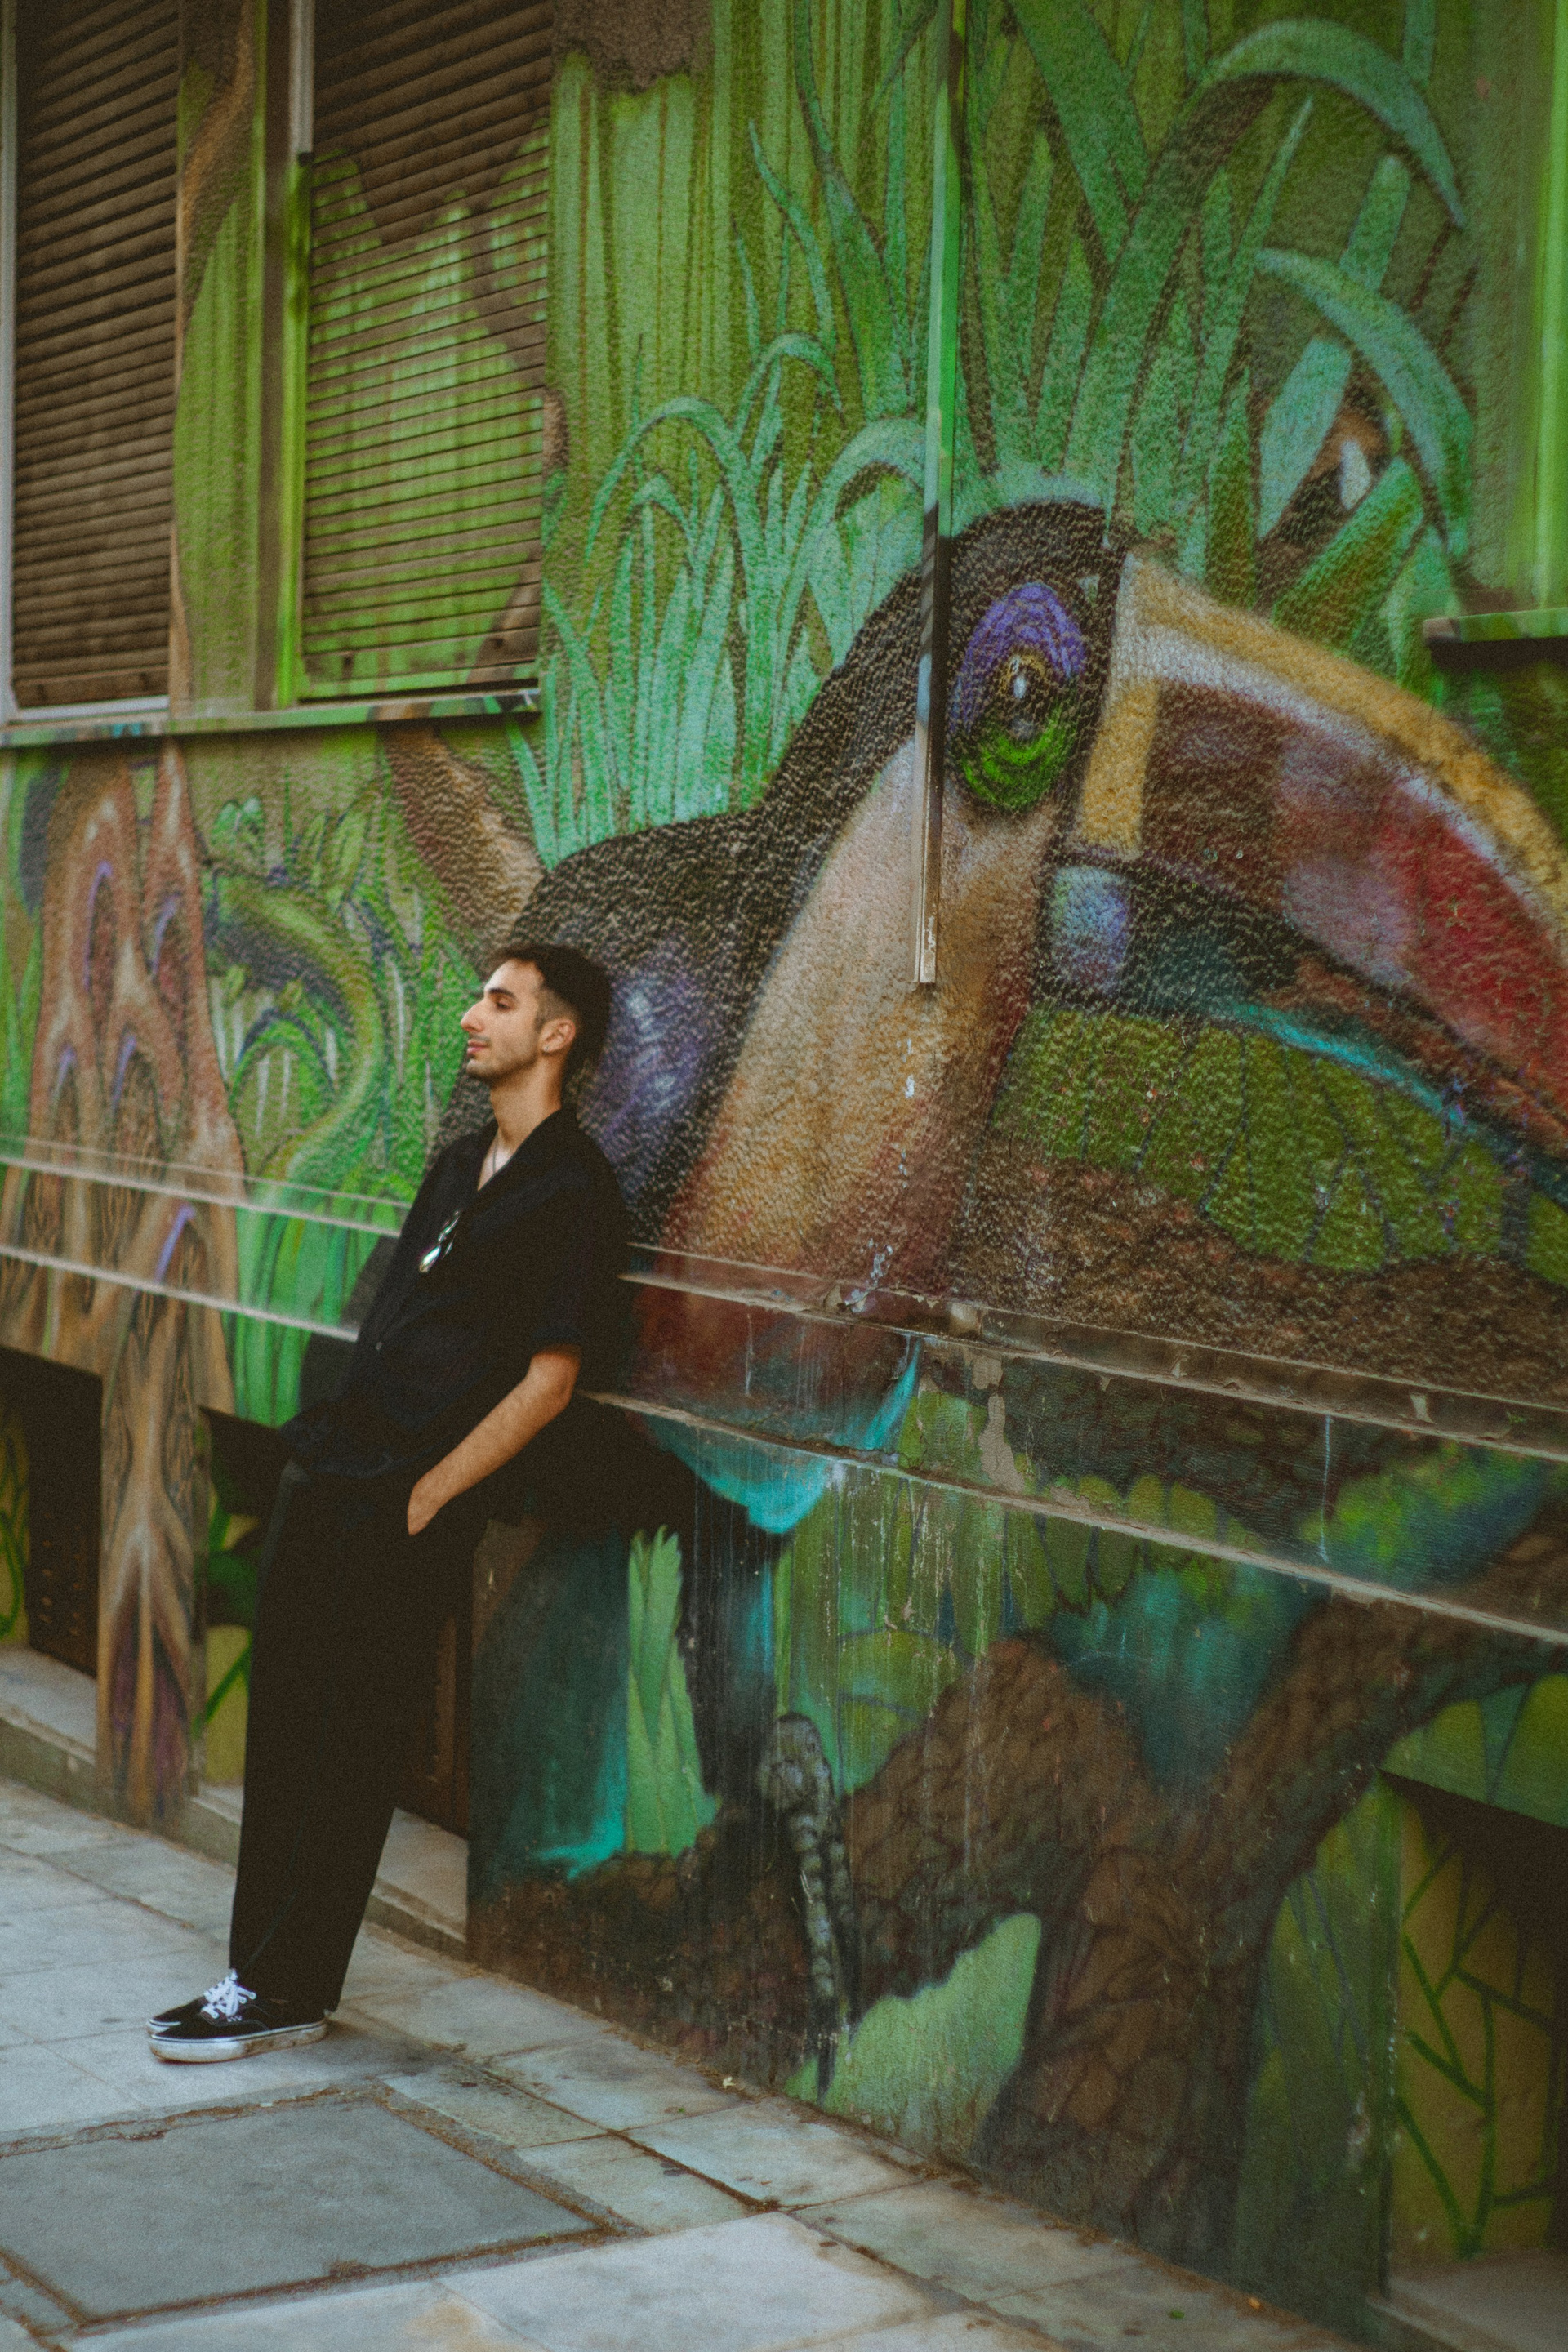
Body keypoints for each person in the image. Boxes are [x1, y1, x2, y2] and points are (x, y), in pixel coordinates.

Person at [148, 940, 626, 2061]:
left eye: (499, 1002)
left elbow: (550, 1380)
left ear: (556, 1035)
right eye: (479, 997)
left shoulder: (575, 1191)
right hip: (338, 1476)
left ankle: (289, 1989)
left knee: (349, 1750)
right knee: (285, 1733)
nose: (472, 1017)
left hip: (409, 1502)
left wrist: (431, 1493)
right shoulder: (462, 1163)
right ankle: (251, 1976)